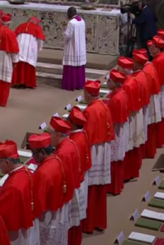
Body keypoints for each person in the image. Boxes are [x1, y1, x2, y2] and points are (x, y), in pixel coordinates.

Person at [81, 79, 114, 234]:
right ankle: (99, 221)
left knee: (91, 187)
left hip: (94, 150)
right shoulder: (103, 106)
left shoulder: (90, 111)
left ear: (88, 94)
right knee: (100, 188)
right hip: (103, 149)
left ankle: (89, 223)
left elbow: (86, 136)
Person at [0, 140, 39, 245]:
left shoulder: (13, 187)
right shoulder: (27, 173)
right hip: (29, 223)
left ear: (7, 162)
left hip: (16, 234)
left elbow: (4, 215)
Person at [30, 132, 70, 244]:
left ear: (42, 152)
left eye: (34, 153)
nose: (33, 157)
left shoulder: (43, 173)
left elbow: (38, 201)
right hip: (60, 210)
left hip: (48, 216)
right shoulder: (58, 160)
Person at [48, 117, 82, 245]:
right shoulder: (69, 143)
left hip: (64, 194)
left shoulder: (62, 153)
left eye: (50, 133)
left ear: (57, 135)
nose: (48, 136)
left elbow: (59, 177)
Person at [68, 106, 91, 244]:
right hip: (82, 175)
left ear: (72, 124)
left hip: (76, 179)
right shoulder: (82, 134)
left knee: (73, 217)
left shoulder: (74, 141)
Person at [105, 70, 129, 196]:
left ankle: (113, 187)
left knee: (114, 160)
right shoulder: (120, 93)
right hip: (120, 130)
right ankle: (118, 185)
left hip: (115, 132)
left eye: (109, 81)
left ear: (115, 83)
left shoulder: (117, 98)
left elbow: (113, 121)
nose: (107, 83)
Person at [13, 17, 45, 89]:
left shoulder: (21, 25)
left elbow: (15, 36)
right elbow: (40, 40)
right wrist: (39, 48)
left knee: (19, 63)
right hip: (30, 49)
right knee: (28, 64)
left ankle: (18, 82)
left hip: (20, 47)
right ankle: (27, 83)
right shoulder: (37, 28)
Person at [62, 8, 87, 91]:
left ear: (70, 14)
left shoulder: (71, 22)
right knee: (79, 65)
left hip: (72, 47)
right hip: (80, 47)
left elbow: (67, 35)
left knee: (71, 65)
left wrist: (64, 32)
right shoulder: (82, 21)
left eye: (68, 14)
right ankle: (79, 84)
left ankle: (70, 85)